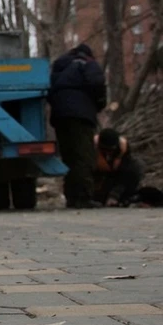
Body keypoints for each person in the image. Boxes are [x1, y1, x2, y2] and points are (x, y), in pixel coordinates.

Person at [48, 43, 106, 208]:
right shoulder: (88, 63)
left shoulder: (60, 67)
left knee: (69, 157)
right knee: (84, 157)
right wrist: (99, 104)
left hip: (60, 115)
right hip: (81, 116)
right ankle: (83, 198)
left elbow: (50, 90)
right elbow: (97, 83)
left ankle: (71, 197)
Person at [93, 128, 144, 207]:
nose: (108, 152)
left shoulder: (124, 149)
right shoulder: (91, 148)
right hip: (97, 178)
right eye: (105, 149)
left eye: (111, 149)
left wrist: (114, 195)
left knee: (137, 167)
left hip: (116, 178)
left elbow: (125, 174)